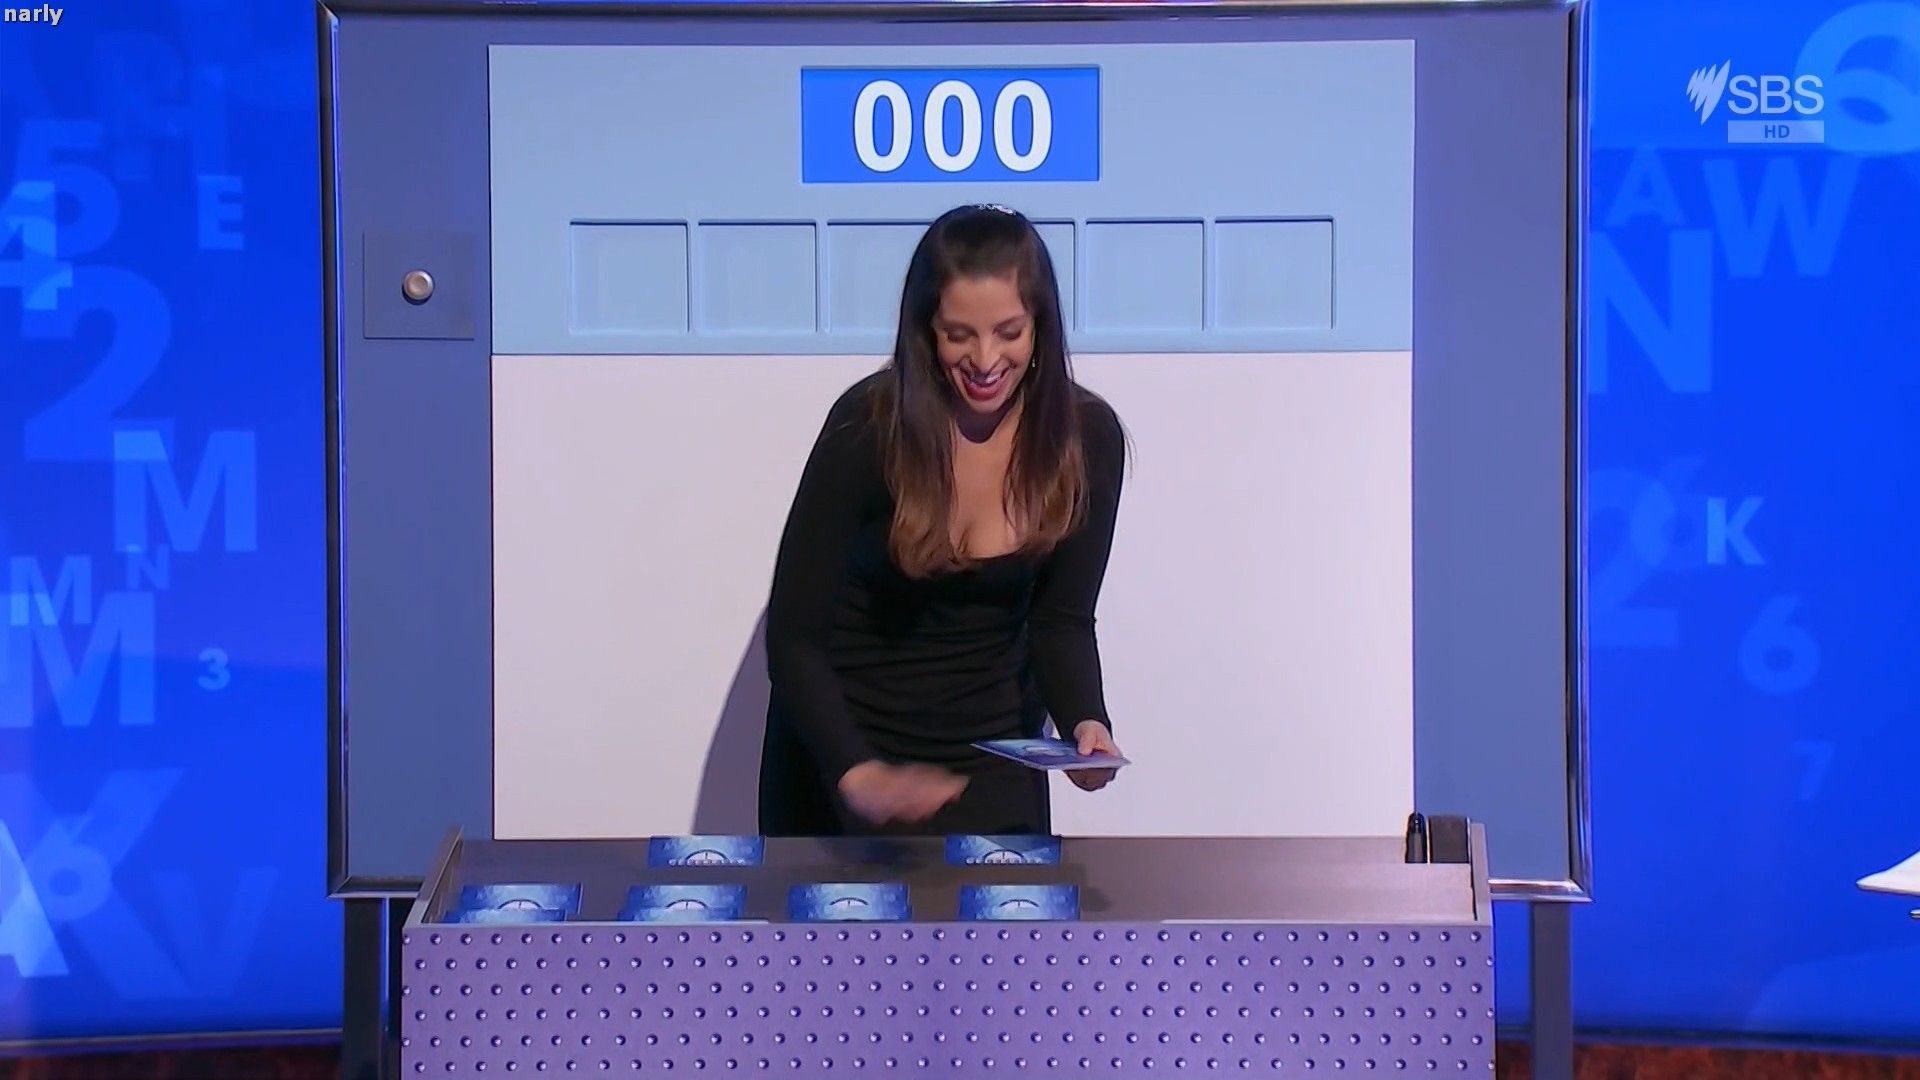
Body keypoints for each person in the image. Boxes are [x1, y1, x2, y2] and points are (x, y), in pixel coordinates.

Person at [757, 203, 1129, 838]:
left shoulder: (1086, 438)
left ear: (1041, 326)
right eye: (959, 334)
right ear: (925, 330)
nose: (986, 360)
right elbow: (795, 639)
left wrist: (1085, 721)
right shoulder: (867, 428)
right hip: (846, 758)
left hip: (990, 761)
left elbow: (1060, 620)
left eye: (1009, 332)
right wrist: (856, 771)